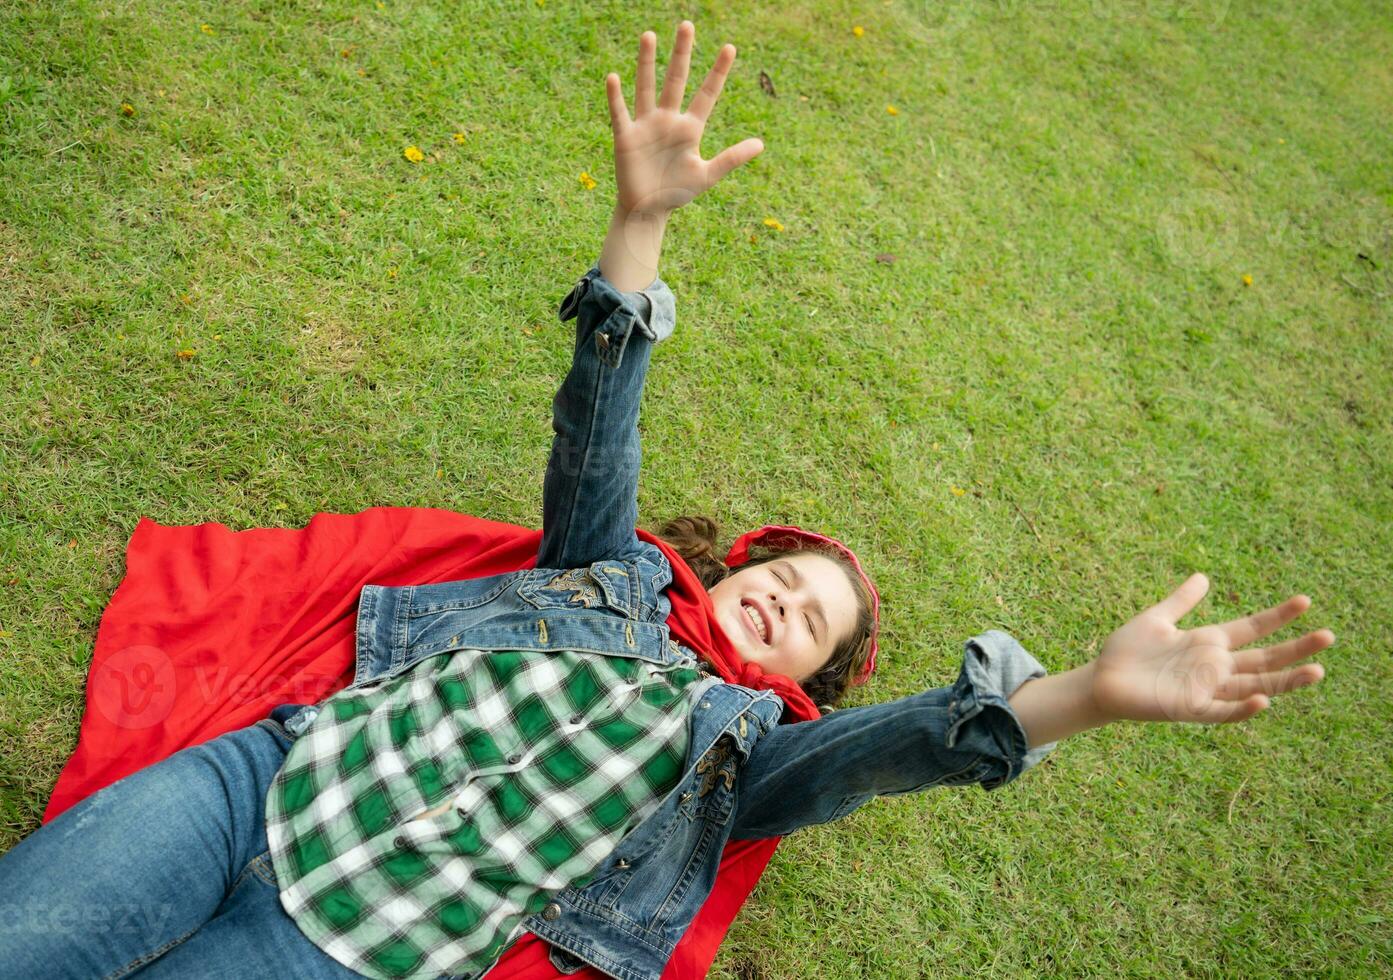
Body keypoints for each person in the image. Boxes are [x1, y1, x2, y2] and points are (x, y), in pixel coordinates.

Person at [0, 20, 1331, 980]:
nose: (777, 598)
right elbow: (598, 435)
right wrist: (637, 228)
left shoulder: (744, 754)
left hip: (346, 944)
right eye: (783, 574)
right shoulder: (610, 580)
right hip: (257, 781)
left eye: (806, 618)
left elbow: (906, 745)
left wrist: (1088, 697)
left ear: (805, 678)